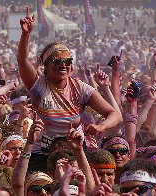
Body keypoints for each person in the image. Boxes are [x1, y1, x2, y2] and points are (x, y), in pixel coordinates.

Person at [17, 6, 120, 173]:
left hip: (75, 150)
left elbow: (114, 114)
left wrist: (100, 127)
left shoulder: (80, 88)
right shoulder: (38, 85)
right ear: (46, 66)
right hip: (43, 153)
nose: (63, 65)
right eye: (57, 62)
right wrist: (26, 34)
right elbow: (22, 61)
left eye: (67, 61)